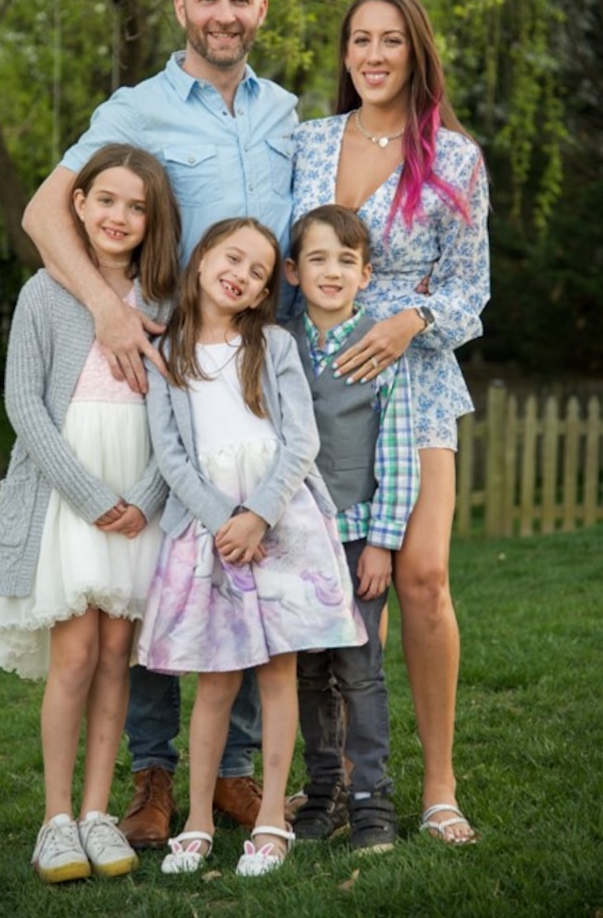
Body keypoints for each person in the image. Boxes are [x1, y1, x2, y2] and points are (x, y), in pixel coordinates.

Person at [21, 0, 297, 846]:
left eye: (241, 0)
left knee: (242, 557)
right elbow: (43, 211)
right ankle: (149, 775)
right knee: (157, 570)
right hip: (163, 372)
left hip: (253, 370)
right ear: (183, 8)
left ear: (261, 11)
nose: (225, 14)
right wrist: (105, 308)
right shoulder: (136, 107)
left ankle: (235, 775)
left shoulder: (287, 115)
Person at [291, 0, 490, 844]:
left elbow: (472, 287)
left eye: (391, 41)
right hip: (318, 384)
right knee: (322, 584)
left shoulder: (454, 159)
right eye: (359, 41)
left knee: (421, 577)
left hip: (416, 386)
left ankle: (438, 786)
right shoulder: (305, 146)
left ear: (417, 52)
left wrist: (413, 319)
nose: (373, 56)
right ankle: (331, 784)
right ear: (345, 54)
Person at [136, 217, 366, 876]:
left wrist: (258, 516)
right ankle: (199, 819)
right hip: (211, 530)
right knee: (214, 680)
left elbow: (300, 441)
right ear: (203, 258)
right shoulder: (169, 349)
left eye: (259, 271)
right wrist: (222, 520)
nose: (241, 274)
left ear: (266, 289)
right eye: (232, 258)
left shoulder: (272, 344)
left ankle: (271, 820)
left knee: (275, 675)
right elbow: (172, 456)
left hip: (279, 519)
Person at [0, 144, 180, 883]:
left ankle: (100, 815)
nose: (120, 217)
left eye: (137, 206)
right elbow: (23, 404)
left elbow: (177, 412)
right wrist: (92, 498)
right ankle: (56, 821)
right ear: (79, 204)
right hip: (73, 497)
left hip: (139, 499)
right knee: (74, 656)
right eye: (107, 201)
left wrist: (150, 498)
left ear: (153, 218)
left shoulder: (162, 300)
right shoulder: (47, 293)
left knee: (114, 658)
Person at [284, 205, 420, 852]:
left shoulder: (378, 349)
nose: (331, 271)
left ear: (366, 274)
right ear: (292, 271)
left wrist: (384, 545)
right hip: (294, 545)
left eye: (345, 260)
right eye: (318, 258)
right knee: (309, 673)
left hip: (357, 536)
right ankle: (322, 793)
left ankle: (372, 801)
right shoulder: (277, 346)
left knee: (361, 672)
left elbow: (396, 454)